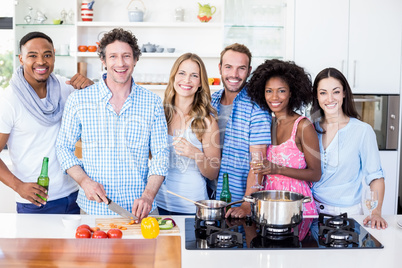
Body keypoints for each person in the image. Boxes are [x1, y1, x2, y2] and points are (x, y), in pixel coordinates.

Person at [56, 28, 169, 220]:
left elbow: (161, 154)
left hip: (142, 211)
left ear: (135, 60)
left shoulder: (152, 102)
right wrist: (84, 181)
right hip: (93, 210)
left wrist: (148, 196)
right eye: (113, 56)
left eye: (126, 56)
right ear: (103, 60)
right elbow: (63, 148)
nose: (120, 63)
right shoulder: (79, 100)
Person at [0, 31, 93, 213]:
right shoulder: (8, 100)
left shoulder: (65, 88)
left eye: (47, 55)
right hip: (35, 201)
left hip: (73, 195)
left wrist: (90, 89)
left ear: (54, 57)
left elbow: (94, 122)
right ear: (21, 58)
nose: (41, 62)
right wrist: (18, 186)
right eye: (32, 55)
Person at [310, 67, 388, 229]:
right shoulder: (309, 128)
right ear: (317, 96)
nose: (329, 98)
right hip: (311, 212)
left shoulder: (362, 131)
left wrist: (376, 212)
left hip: (346, 214)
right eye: (323, 92)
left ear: (344, 93)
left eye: (336, 92)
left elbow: (375, 177)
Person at [247, 59, 321, 218]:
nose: (274, 97)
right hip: (269, 206)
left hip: (298, 207)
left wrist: (277, 169)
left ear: (291, 92)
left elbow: (316, 174)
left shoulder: (303, 126)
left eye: (281, 91)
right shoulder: (268, 124)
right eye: (269, 91)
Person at [155, 53, 220, 215]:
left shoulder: (207, 121)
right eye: (182, 73)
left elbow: (213, 172)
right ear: (173, 77)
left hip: (192, 206)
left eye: (194, 75)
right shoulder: (160, 114)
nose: (187, 80)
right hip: (158, 203)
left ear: (200, 83)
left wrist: (196, 154)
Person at [211, 43, 272, 218]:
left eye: (241, 68)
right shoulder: (211, 102)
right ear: (220, 68)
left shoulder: (257, 107)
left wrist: (247, 203)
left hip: (237, 204)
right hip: (209, 198)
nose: (234, 75)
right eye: (228, 67)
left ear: (249, 70)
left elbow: (258, 162)